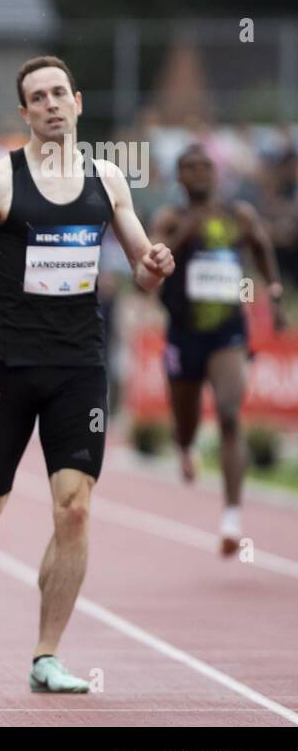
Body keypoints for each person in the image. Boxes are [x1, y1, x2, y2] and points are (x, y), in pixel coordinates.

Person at [0, 55, 174, 693]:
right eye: (35, 97)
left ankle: (46, 654)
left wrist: (155, 262)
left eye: (57, 93)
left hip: (79, 368)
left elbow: (142, 270)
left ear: (76, 100)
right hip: (6, 371)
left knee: (73, 510)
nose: (49, 104)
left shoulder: (109, 181)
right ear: (25, 113)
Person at [150, 145, 283, 556]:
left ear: (216, 173)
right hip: (183, 331)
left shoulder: (237, 215)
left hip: (228, 328)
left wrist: (274, 293)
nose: (199, 173)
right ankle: (186, 446)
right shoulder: (170, 218)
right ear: (179, 178)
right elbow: (153, 260)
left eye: (205, 166)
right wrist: (185, 232)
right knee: (186, 422)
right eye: (189, 167)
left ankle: (231, 518)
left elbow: (261, 247)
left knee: (229, 413)